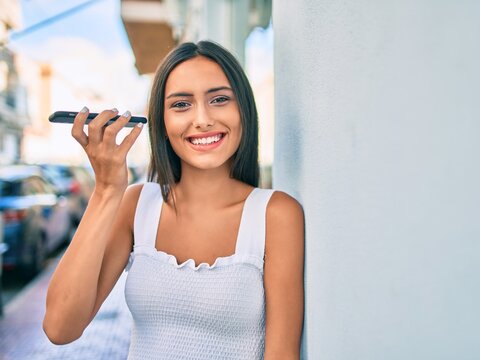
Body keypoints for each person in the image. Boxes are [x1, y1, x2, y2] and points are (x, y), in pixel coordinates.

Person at [42, 41, 305, 359]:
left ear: (244, 111)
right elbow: (60, 328)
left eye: (219, 99)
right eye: (181, 105)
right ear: (162, 123)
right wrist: (106, 190)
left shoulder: (274, 214)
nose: (203, 119)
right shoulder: (139, 204)